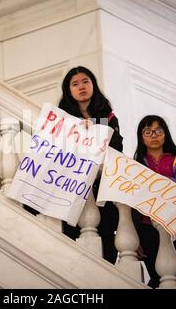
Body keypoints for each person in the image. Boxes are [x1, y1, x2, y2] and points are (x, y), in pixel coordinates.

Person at [57, 66, 124, 264]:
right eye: (75, 84)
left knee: (107, 247)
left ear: (93, 84)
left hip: (102, 192)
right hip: (71, 192)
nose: (81, 87)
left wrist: (95, 130)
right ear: (68, 90)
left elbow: (116, 150)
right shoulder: (62, 120)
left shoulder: (109, 118)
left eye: (86, 81)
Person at [132, 115, 176, 289]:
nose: (154, 135)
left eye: (158, 131)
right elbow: (131, 203)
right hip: (147, 229)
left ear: (165, 134)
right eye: (148, 131)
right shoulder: (136, 166)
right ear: (141, 137)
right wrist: (135, 238)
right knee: (157, 276)